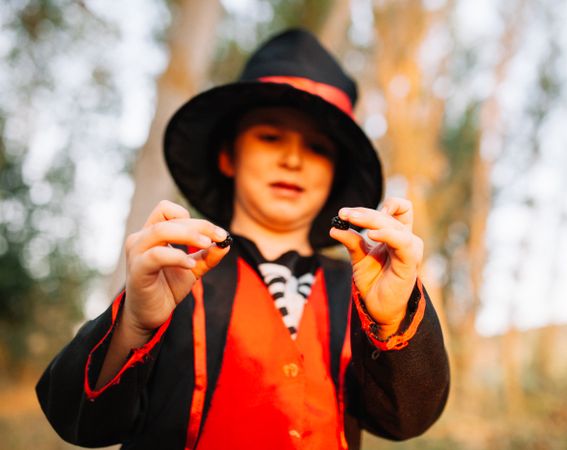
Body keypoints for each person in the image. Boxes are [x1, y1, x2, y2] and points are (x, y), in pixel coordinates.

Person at [36, 28, 450, 450]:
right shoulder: (174, 272)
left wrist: (393, 319)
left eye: (317, 148)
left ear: (334, 174)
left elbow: (407, 420)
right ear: (228, 156)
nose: (292, 159)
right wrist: (134, 325)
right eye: (270, 137)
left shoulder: (363, 288)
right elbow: (77, 421)